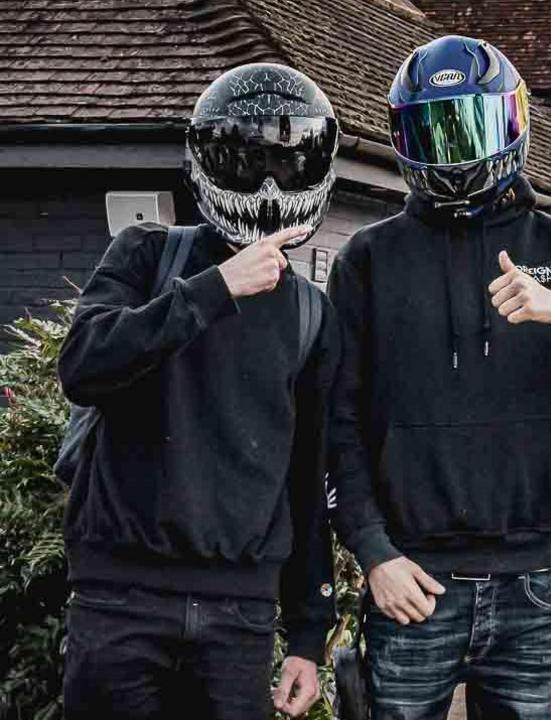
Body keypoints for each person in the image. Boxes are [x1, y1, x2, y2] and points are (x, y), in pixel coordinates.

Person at [326, 36, 551, 720]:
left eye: (468, 128)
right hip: (411, 581)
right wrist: (374, 553)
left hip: (530, 581)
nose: (453, 151)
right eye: (434, 132)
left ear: (511, 123)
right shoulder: (368, 260)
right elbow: (338, 426)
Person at [58, 63, 341, 719]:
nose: (270, 182)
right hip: (120, 603)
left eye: (287, 160)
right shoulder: (146, 256)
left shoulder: (310, 314)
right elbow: (84, 365)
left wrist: (306, 636)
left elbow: (306, 478)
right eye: (251, 160)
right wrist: (215, 290)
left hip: (239, 621)